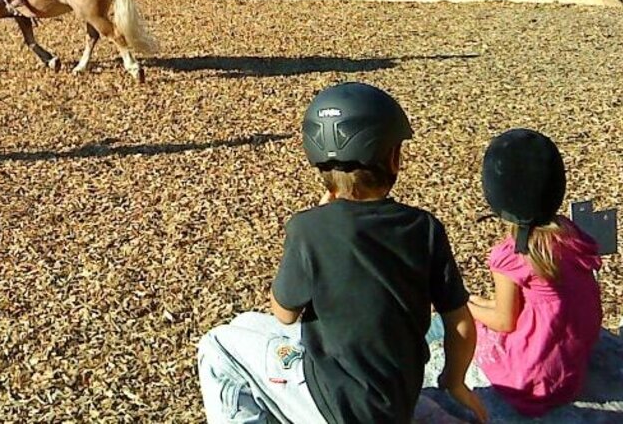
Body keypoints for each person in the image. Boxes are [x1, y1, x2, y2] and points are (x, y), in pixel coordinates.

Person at [197, 81, 485, 424]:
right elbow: (460, 323)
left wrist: (318, 222)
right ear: (394, 158)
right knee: (246, 324)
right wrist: (454, 384)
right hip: (397, 400)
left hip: (333, 407)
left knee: (218, 345)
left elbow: (284, 314)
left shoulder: (308, 229)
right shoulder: (424, 228)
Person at [467, 128, 603, 416]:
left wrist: (464, 304)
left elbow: (504, 321)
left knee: (469, 320)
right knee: (480, 305)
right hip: (569, 373)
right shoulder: (571, 237)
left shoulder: (512, 256)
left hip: (530, 383)